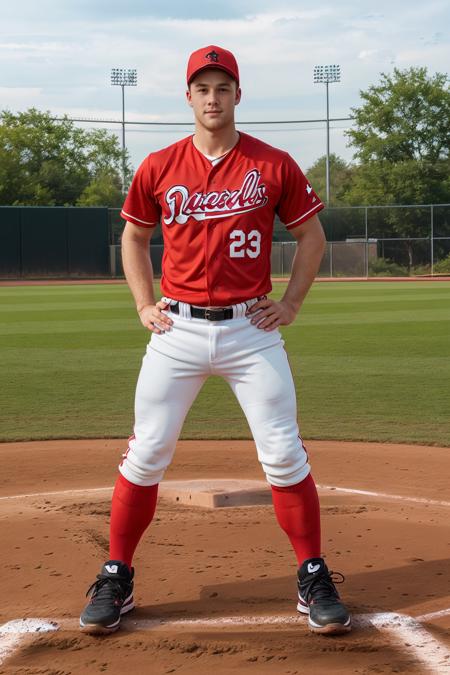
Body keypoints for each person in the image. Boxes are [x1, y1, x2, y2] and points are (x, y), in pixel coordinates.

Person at [80, 45, 351, 636]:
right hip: (176, 330)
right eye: (201, 88)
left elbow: (311, 236)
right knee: (147, 451)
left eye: (222, 87)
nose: (212, 97)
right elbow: (133, 238)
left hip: (250, 331)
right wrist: (143, 304)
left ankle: (312, 574)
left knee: (282, 453)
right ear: (188, 97)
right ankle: (115, 575)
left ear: (236, 94)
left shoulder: (272, 163)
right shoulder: (158, 165)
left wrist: (292, 302)